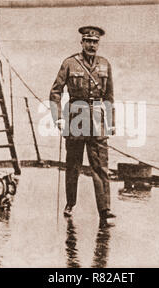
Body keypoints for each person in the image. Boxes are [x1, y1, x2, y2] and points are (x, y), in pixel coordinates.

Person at [49, 26, 116, 224]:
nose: (91, 45)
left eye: (95, 42)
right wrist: (58, 118)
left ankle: (105, 210)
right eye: (88, 41)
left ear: (98, 44)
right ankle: (70, 203)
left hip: (97, 119)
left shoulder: (105, 64)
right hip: (75, 118)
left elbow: (109, 95)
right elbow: (55, 91)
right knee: (73, 166)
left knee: (101, 167)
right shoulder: (69, 63)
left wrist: (111, 123)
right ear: (81, 42)